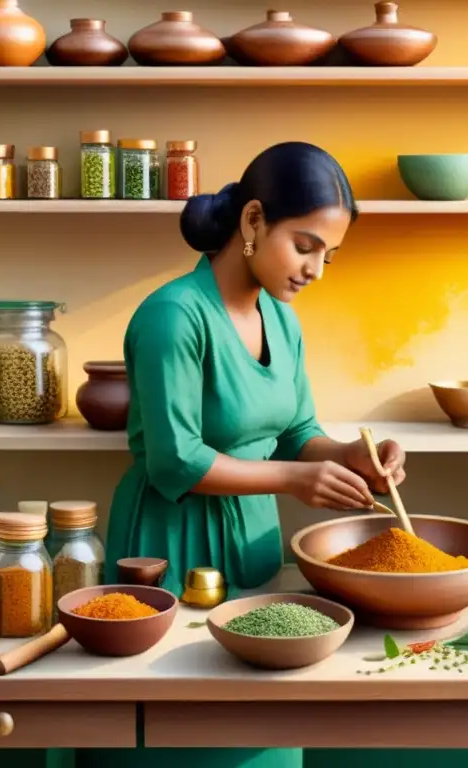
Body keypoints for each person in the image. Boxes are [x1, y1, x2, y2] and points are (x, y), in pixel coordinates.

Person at [92, 142, 407, 768]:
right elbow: (175, 461)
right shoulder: (173, 317)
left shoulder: (281, 320)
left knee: (263, 730)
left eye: (330, 254)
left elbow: (297, 432)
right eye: (306, 244)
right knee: (178, 738)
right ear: (254, 221)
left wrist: (353, 456)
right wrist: (294, 479)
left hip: (253, 550)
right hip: (169, 552)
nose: (317, 268)